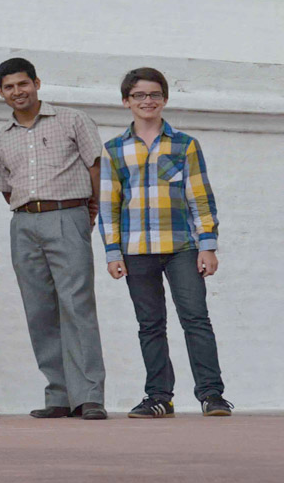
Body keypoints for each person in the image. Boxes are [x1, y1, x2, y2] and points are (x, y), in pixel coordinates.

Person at [100, 67, 233, 418]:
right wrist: (112, 251)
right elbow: (108, 205)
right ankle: (159, 396)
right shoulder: (114, 150)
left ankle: (212, 395)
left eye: (154, 94)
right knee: (150, 325)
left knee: (196, 319)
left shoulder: (185, 144)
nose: (148, 101)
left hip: (182, 247)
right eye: (140, 95)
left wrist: (208, 245)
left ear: (165, 99)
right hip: (136, 250)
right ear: (126, 101)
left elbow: (200, 198)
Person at [0, 58, 107, 420]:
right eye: (9, 87)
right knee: (39, 309)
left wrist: (91, 210)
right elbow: (6, 189)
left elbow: (95, 166)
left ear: (36, 83)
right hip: (24, 223)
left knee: (76, 304)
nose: (17, 92)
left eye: (23, 84)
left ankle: (88, 396)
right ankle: (59, 393)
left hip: (67, 215)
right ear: (1, 92)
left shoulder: (72, 119)